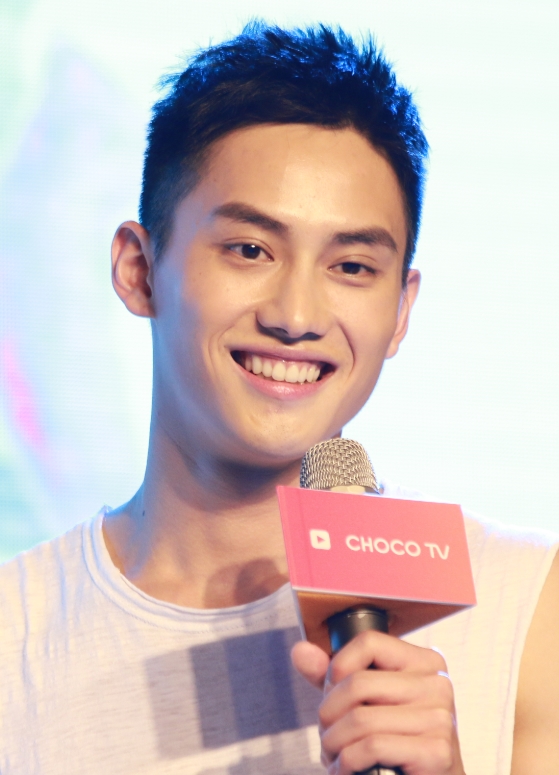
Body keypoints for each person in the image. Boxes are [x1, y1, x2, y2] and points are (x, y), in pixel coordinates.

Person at [1, 22, 558, 775]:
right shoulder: (16, 633)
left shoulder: (527, 608)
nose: (296, 316)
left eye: (351, 266)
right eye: (250, 250)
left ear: (400, 311)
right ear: (138, 269)